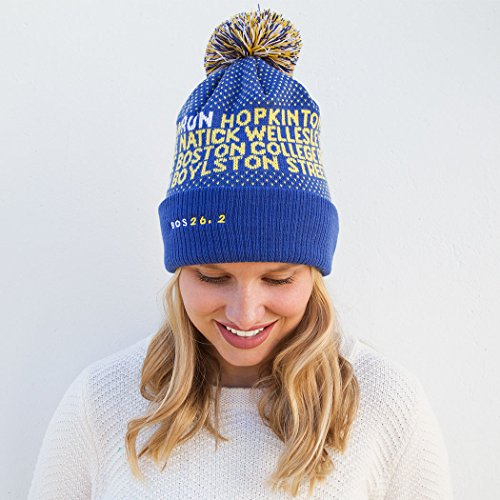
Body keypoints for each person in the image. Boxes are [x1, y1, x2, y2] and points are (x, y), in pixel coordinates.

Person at [28, 8, 453, 499]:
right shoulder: (99, 403)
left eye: (279, 278)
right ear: (180, 271)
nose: (246, 314)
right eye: (213, 276)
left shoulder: (388, 409)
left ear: (314, 274)